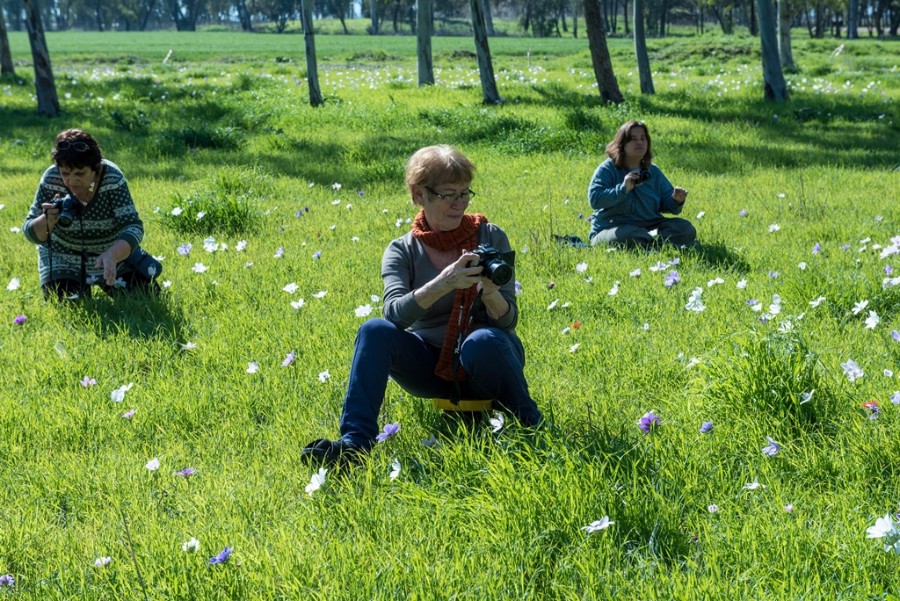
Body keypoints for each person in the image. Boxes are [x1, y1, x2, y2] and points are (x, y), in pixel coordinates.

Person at [302, 145, 542, 465]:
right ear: (419, 195)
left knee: (483, 340)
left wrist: (489, 291)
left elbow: (508, 322)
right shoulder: (401, 250)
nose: (459, 203)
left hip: (489, 356)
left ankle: (532, 428)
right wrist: (444, 282)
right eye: (448, 194)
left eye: (464, 193)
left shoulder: (490, 235)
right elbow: (394, 315)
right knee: (374, 330)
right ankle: (355, 445)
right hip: (429, 365)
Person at [23, 129, 161, 300]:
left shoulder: (112, 178)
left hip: (112, 255)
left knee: (145, 299)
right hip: (63, 256)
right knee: (66, 306)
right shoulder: (51, 178)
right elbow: (29, 231)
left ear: (96, 169)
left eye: (80, 174)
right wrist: (47, 220)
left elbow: (132, 226)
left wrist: (112, 254)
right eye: (65, 173)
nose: (72, 181)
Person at [587, 120, 696, 248]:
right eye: (633, 139)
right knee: (627, 236)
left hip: (650, 226)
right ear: (622, 144)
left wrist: (676, 199)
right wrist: (623, 189)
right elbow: (595, 200)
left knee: (685, 228)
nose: (639, 142)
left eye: (643, 138)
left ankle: (650, 244)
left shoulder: (653, 171)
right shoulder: (607, 169)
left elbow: (668, 205)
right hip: (613, 228)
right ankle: (660, 244)